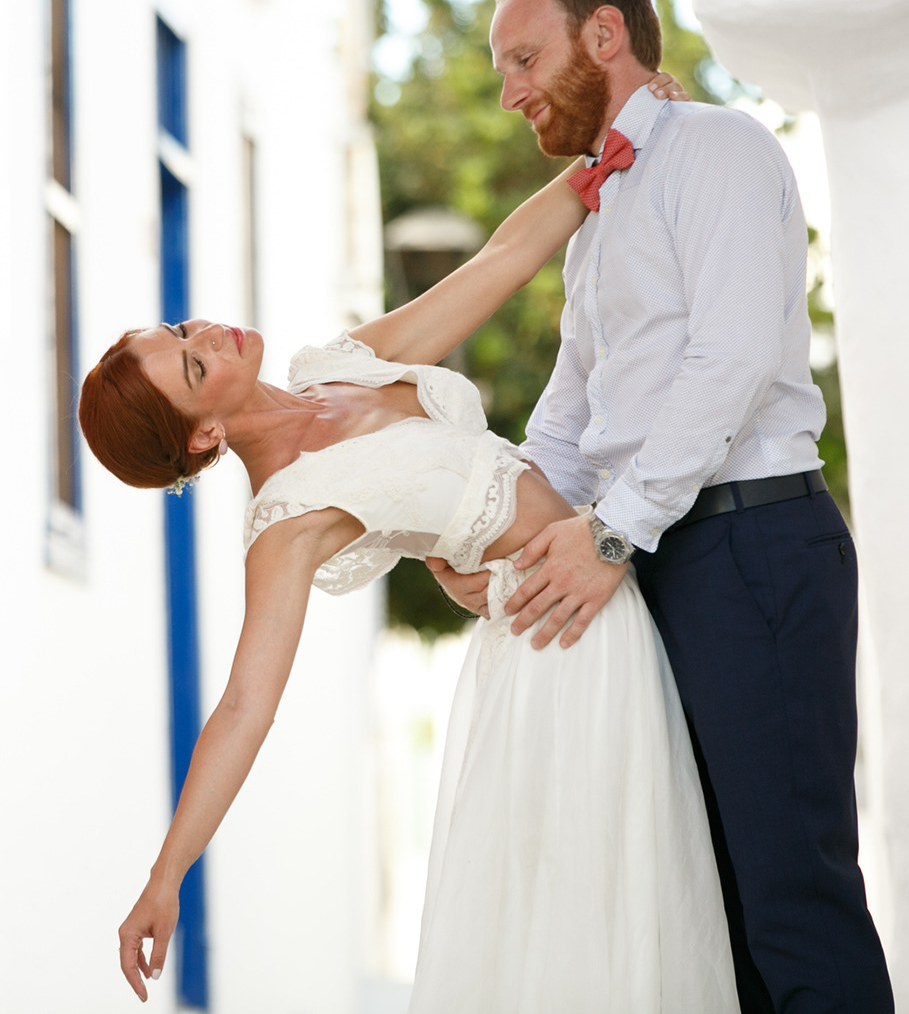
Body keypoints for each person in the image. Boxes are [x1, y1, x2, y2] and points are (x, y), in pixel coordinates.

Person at [81, 67, 743, 1010]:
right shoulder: (288, 518)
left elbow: (498, 265)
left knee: (652, 904)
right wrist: (165, 876)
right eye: (195, 362)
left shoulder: (336, 365)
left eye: (183, 326)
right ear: (204, 437)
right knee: (602, 924)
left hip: (602, 598)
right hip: (559, 643)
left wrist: (612, 152)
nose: (214, 333)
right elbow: (242, 709)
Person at [429, 0, 893, 1012]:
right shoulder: (597, 221)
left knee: (791, 897)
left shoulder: (717, 148)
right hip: (659, 565)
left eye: (524, 57)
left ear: (606, 35)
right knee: (706, 906)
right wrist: (486, 530)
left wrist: (607, 533)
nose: (510, 91)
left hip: (754, 548)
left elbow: (727, 360)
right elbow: (570, 415)